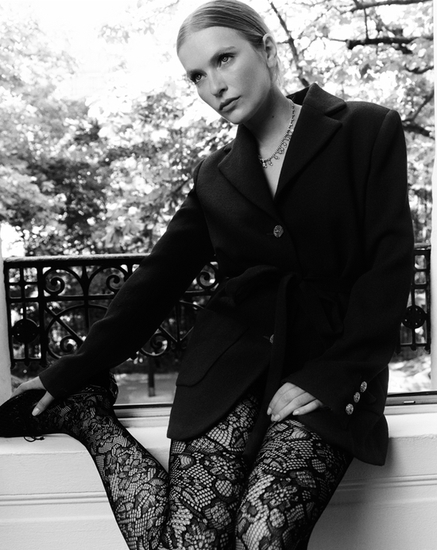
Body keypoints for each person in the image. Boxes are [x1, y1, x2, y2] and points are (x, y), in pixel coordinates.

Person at [0, 1, 414, 548]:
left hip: (330, 362)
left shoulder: (365, 128)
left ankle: (91, 423)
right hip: (228, 364)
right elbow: (155, 283)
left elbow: (388, 268)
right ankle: (89, 417)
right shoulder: (214, 175)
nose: (213, 85)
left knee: (262, 536)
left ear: (266, 50)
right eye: (196, 75)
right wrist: (69, 371)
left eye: (224, 59)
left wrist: (339, 373)